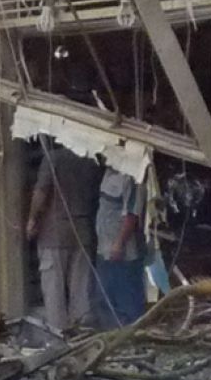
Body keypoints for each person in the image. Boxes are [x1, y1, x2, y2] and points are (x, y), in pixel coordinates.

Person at [25, 141, 101, 331]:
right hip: (83, 230)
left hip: (54, 233)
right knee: (80, 288)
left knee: (54, 289)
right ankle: (81, 333)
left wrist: (32, 220)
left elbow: (41, 192)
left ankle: (58, 333)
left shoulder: (53, 158)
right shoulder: (90, 161)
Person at [94, 165, 151, 327]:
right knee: (105, 297)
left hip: (123, 253)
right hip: (104, 248)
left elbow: (131, 215)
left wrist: (119, 244)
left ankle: (131, 337)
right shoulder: (109, 171)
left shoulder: (133, 177)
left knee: (127, 300)